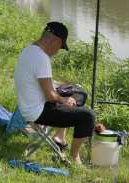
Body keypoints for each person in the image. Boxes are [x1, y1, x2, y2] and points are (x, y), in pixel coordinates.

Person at [13, 21, 95, 165]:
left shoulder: (29, 50)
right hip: (37, 111)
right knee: (88, 116)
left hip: (29, 105)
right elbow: (50, 96)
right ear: (54, 40)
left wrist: (64, 94)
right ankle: (74, 158)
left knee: (77, 94)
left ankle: (59, 137)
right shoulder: (41, 58)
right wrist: (63, 100)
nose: (58, 51)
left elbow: (42, 85)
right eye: (60, 47)